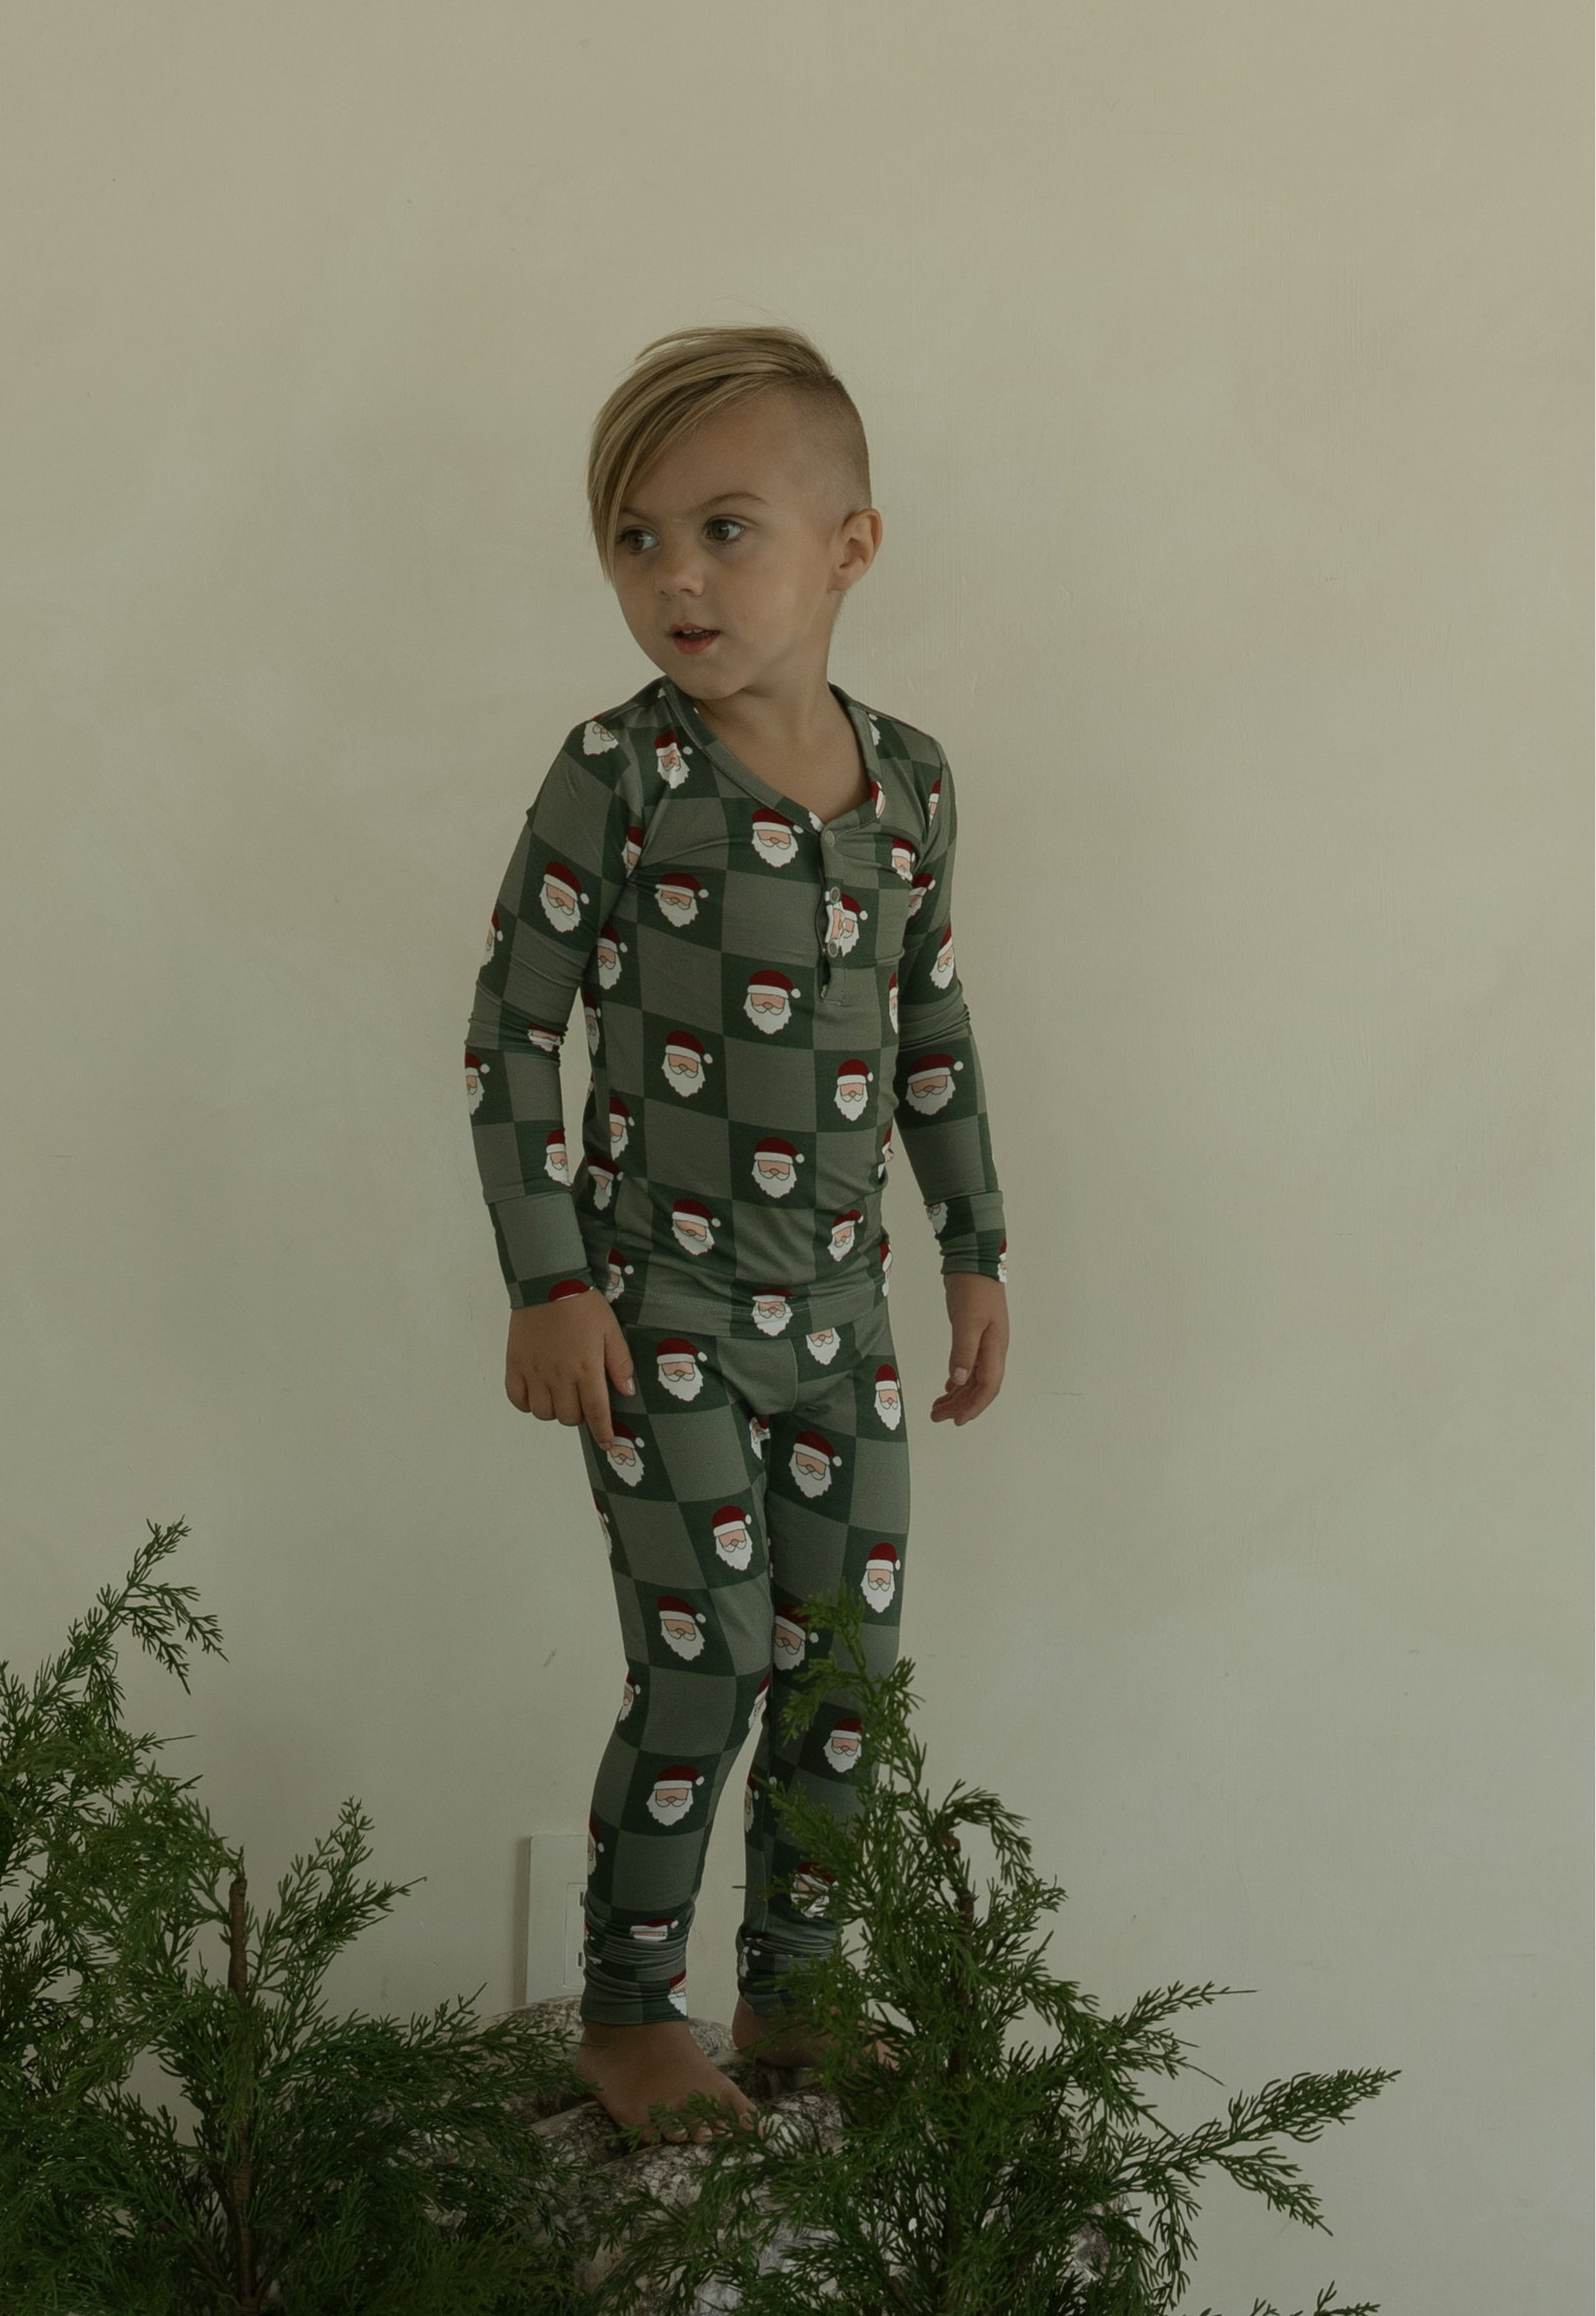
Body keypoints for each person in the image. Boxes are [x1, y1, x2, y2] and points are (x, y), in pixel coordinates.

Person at [464, 324, 1008, 2143]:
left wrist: (975, 1249)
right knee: (708, 1652)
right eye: (634, 539)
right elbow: (509, 1033)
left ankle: (795, 1991)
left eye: (722, 528)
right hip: (659, 1311)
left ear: (849, 546)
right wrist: (550, 1276)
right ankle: (631, 2005)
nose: (673, 578)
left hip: (840, 1320)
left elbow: (930, 1029)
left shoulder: (914, 785)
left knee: (843, 1669)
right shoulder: (617, 773)